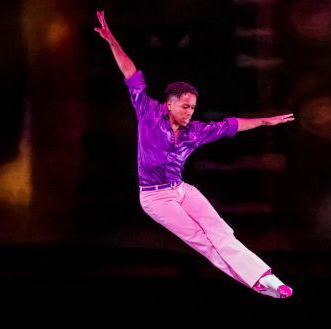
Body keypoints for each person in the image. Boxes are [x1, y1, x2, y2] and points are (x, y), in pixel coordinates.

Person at [95, 10, 293, 298]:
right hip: (155, 197)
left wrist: (263, 121)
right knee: (202, 240)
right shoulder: (148, 112)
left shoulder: (195, 131)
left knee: (221, 231)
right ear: (169, 104)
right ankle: (257, 284)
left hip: (181, 189)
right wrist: (112, 40)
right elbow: (130, 72)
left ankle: (266, 277)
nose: (190, 112)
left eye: (193, 107)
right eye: (185, 106)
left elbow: (232, 125)